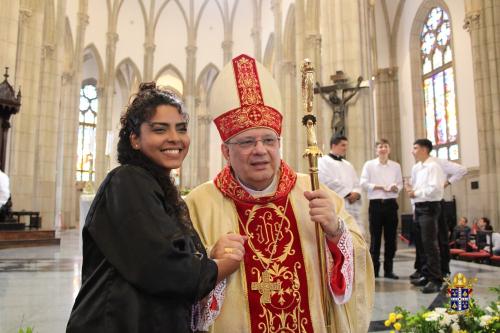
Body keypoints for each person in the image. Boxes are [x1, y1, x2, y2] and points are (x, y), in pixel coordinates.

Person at [185, 54, 374, 333]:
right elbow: (176, 286)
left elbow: (358, 263)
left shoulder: (315, 193)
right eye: (247, 141)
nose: (260, 150)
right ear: (226, 151)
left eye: (269, 140)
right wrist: (210, 265)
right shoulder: (197, 206)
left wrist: (336, 233)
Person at [66, 83, 245, 333]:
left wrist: (209, 254)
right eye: (160, 129)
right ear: (135, 139)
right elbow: (164, 269)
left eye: (181, 129)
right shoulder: (126, 181)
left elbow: (167, 250)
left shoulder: (160, 189)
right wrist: (222, 265)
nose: (174, 138)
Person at [406, 138, 445, 293]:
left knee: (430, 243)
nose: (412, 151)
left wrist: (416, 192)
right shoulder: (417, 168)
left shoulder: (434, 166)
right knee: (421, 244)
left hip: (430, 207)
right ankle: (426, 274)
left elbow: (435, 189)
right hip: (419, 206)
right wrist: (413, 197)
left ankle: (436, 280)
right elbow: (414, 188)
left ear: (424, 149)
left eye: (415, 148)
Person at [360, 138, 403, 279]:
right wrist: (380, 187)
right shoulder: (369, 165)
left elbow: (400, 184)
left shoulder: (396, 166)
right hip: (376, 204)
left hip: (391, 204)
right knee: (375, 238)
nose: (383, 149)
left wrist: (396, 187)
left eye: (385, 146)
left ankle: (389, 270)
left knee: (391, 239)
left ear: (389, 149)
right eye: (380, 147)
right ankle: (375, 271)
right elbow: (364, 183)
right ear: (376, 150)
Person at [318, 135, 364, 234]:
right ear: (334, 145)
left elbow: (356, 183)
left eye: (346, 145)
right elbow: (325, 180)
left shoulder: (348, 164)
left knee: (354, 234)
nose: (345, 148)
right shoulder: (323, 161)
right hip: (335, 204)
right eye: (343, 145)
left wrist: (356, 193)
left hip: (351, 205)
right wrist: (348, 194)